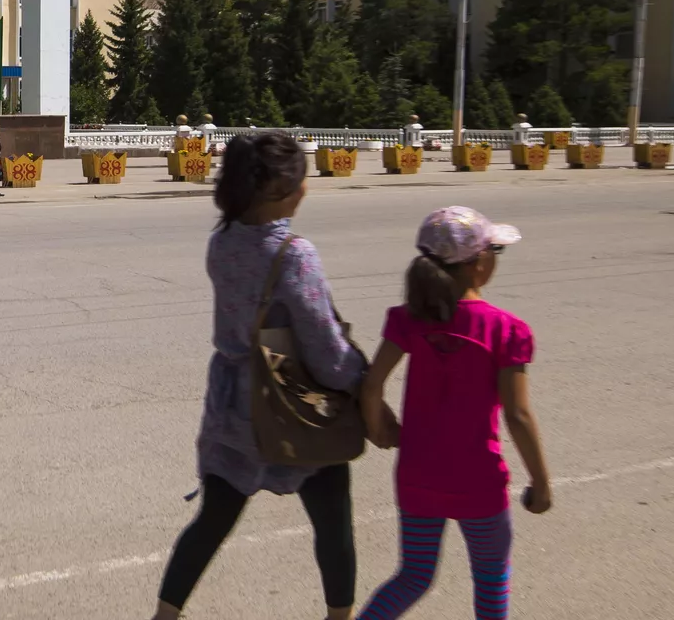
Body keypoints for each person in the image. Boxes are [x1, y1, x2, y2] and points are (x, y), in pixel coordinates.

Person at [151, 132, 369, 620]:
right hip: (295, 403)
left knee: (213, 520)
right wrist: (363, 385)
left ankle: (165, 615)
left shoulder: (222, 241)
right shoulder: (294, 254)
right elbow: (324, 347)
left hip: (233, 405)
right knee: (333, 522)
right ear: (280, 190)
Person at [354, 206, 552, 620]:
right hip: (478, 481)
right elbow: (517, 415)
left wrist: (379, 428)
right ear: (478, 264)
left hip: (418, 476)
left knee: (414, 576)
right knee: (491, 577)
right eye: (495, 250)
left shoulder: (408, 320)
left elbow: (372, 385)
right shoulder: (506, 329)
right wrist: (540, 482)